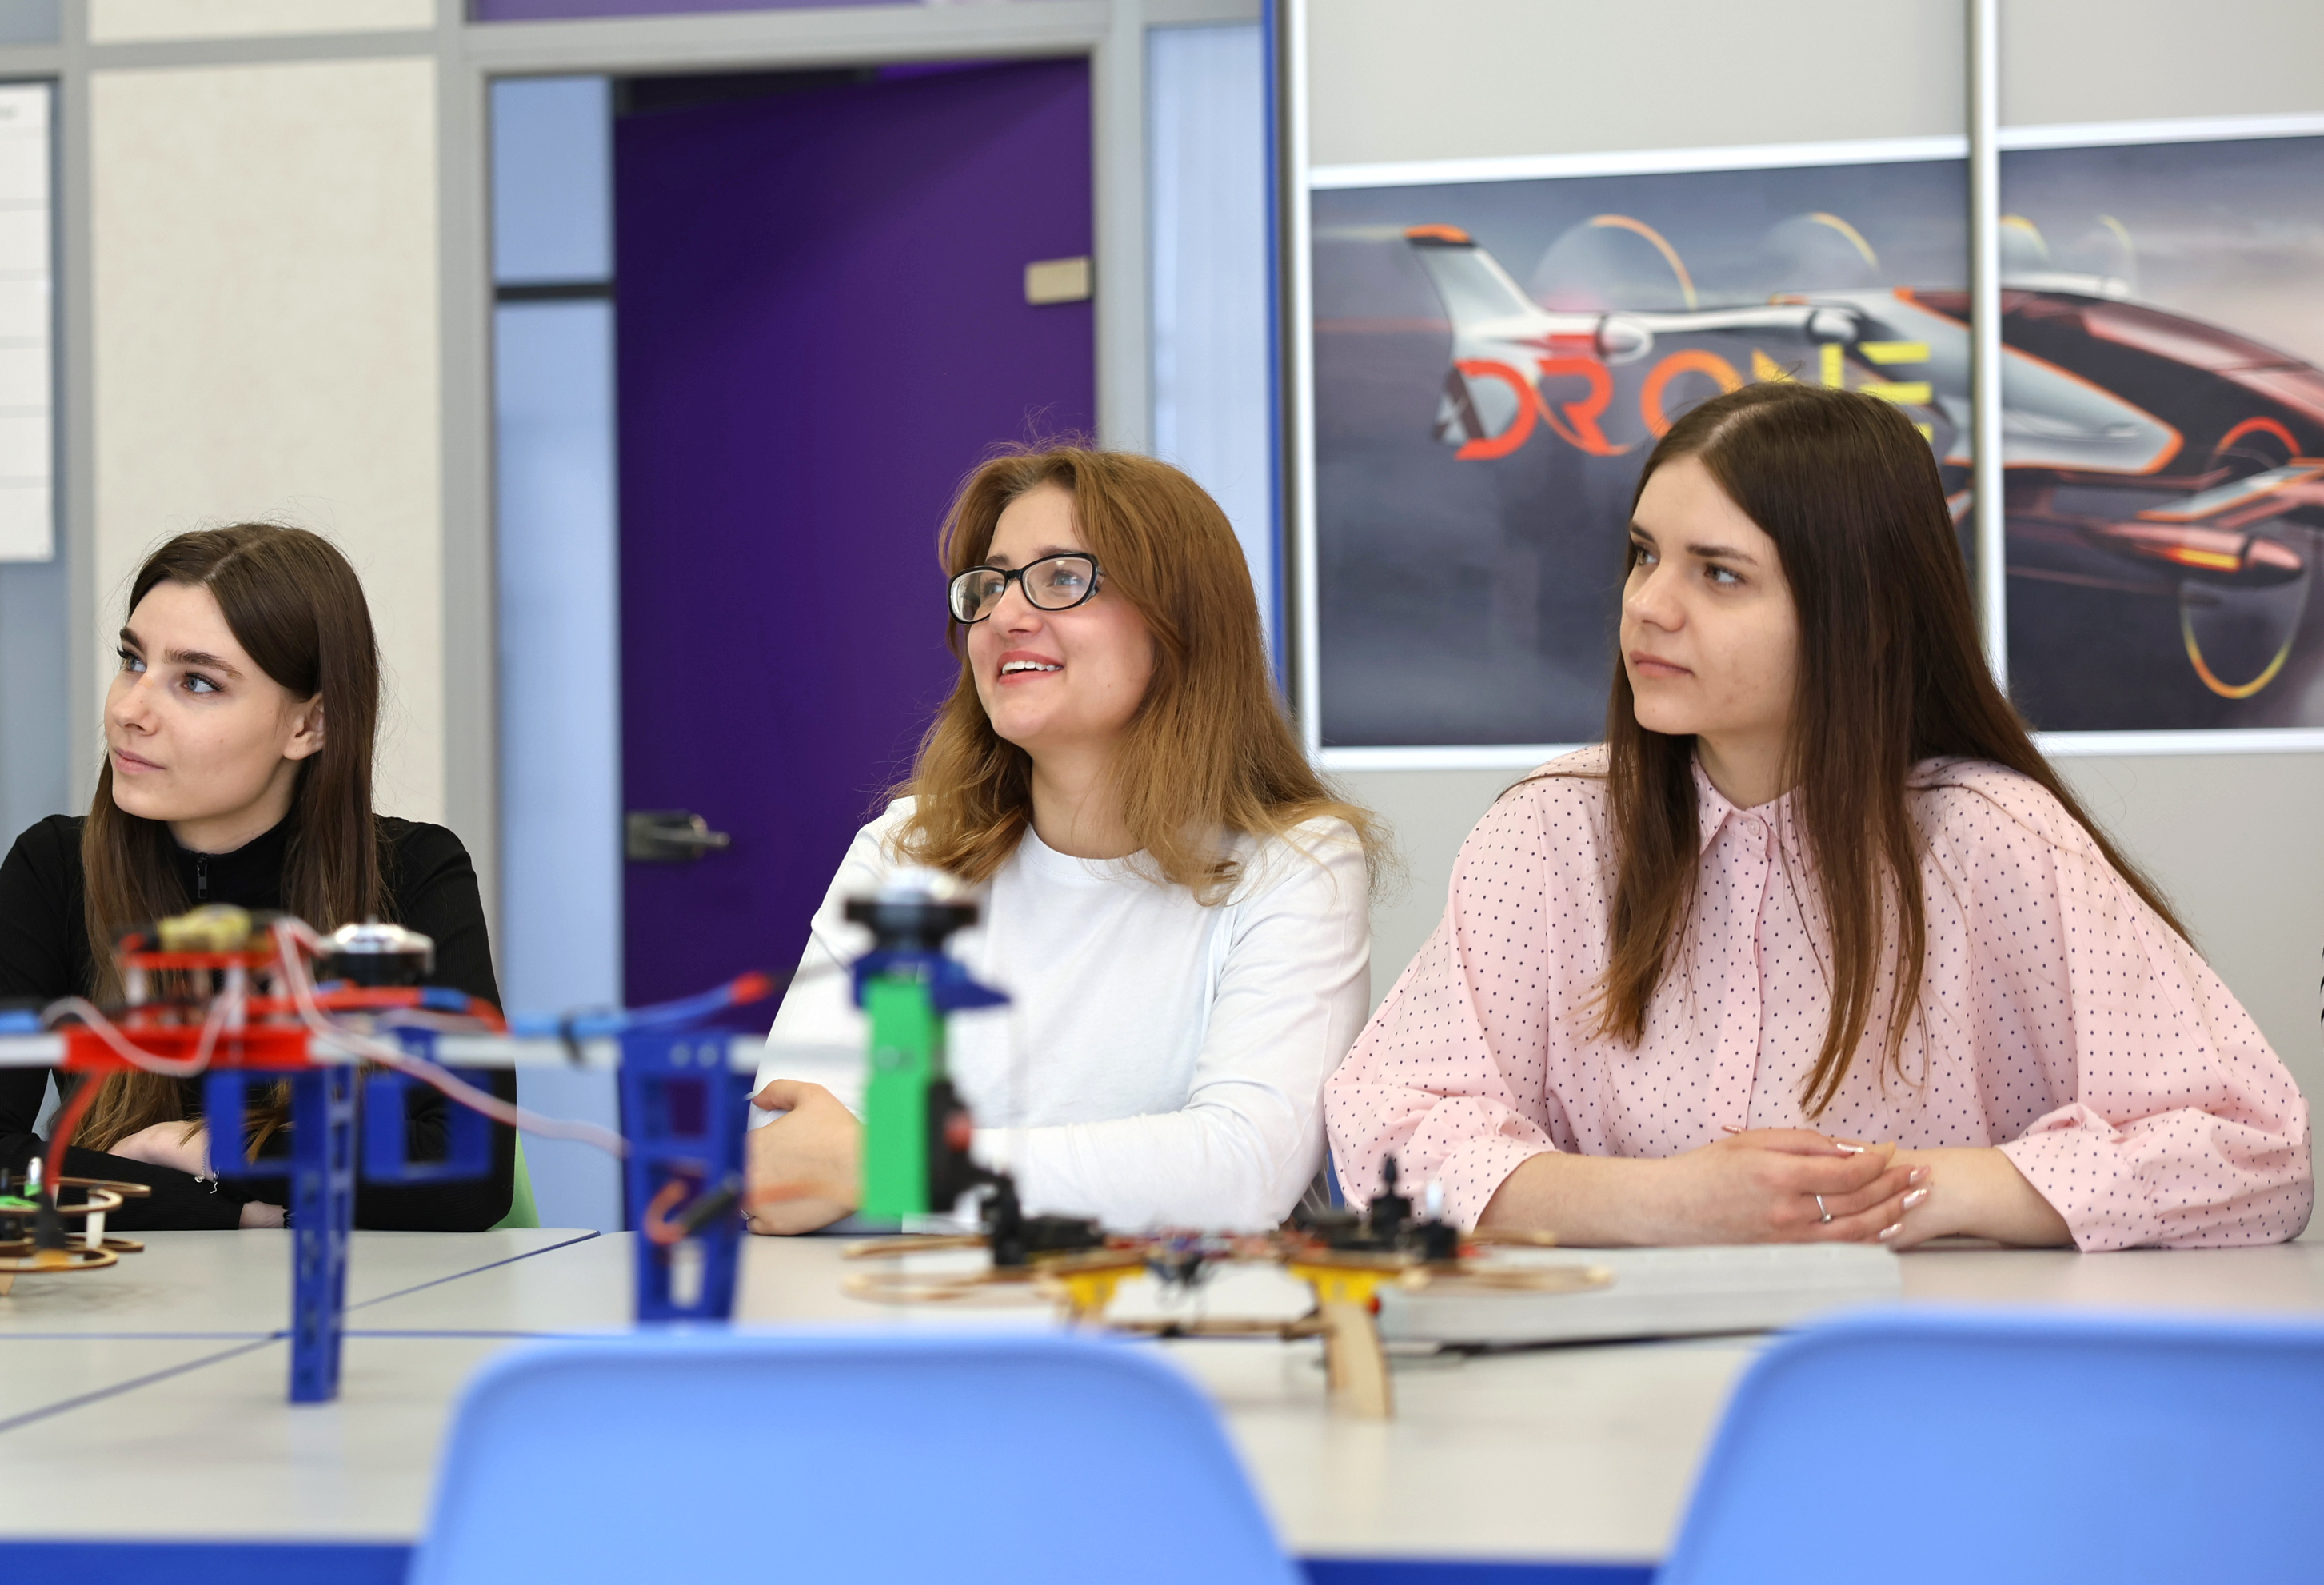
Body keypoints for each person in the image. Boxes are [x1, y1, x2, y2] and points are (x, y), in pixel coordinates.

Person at [1328, 381, 2310, 1251]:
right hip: (1607, 1378)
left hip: (1921, 1364)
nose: (1648, 606)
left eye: (1719, 573)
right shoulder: (1549, 833)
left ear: (1864, 616)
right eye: (1644, 555)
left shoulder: (1997, 837)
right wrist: (1671, 1204)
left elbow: (2257, 1152)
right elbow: (1389, 1131)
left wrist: (1911, 1192)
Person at [747, 445, 1376, 1234]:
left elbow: (1241, 1173)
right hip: (914, 1307)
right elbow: (787, 1162)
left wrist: (893, 1165)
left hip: (1183, 1314)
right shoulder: (907, 852)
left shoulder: (1297, 863)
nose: (1006, 616)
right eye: (990, 585)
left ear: (1181, 621)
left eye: (1062, 578)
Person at [0, 524, 512, 1231]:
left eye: (196, 682)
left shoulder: (412, 874)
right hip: (128, 1295)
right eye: (132, 661)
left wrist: (205, 1149)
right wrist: (238, 1216)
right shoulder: (54, 869)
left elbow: (470, 1171)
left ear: (310, 725)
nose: (129, 710)